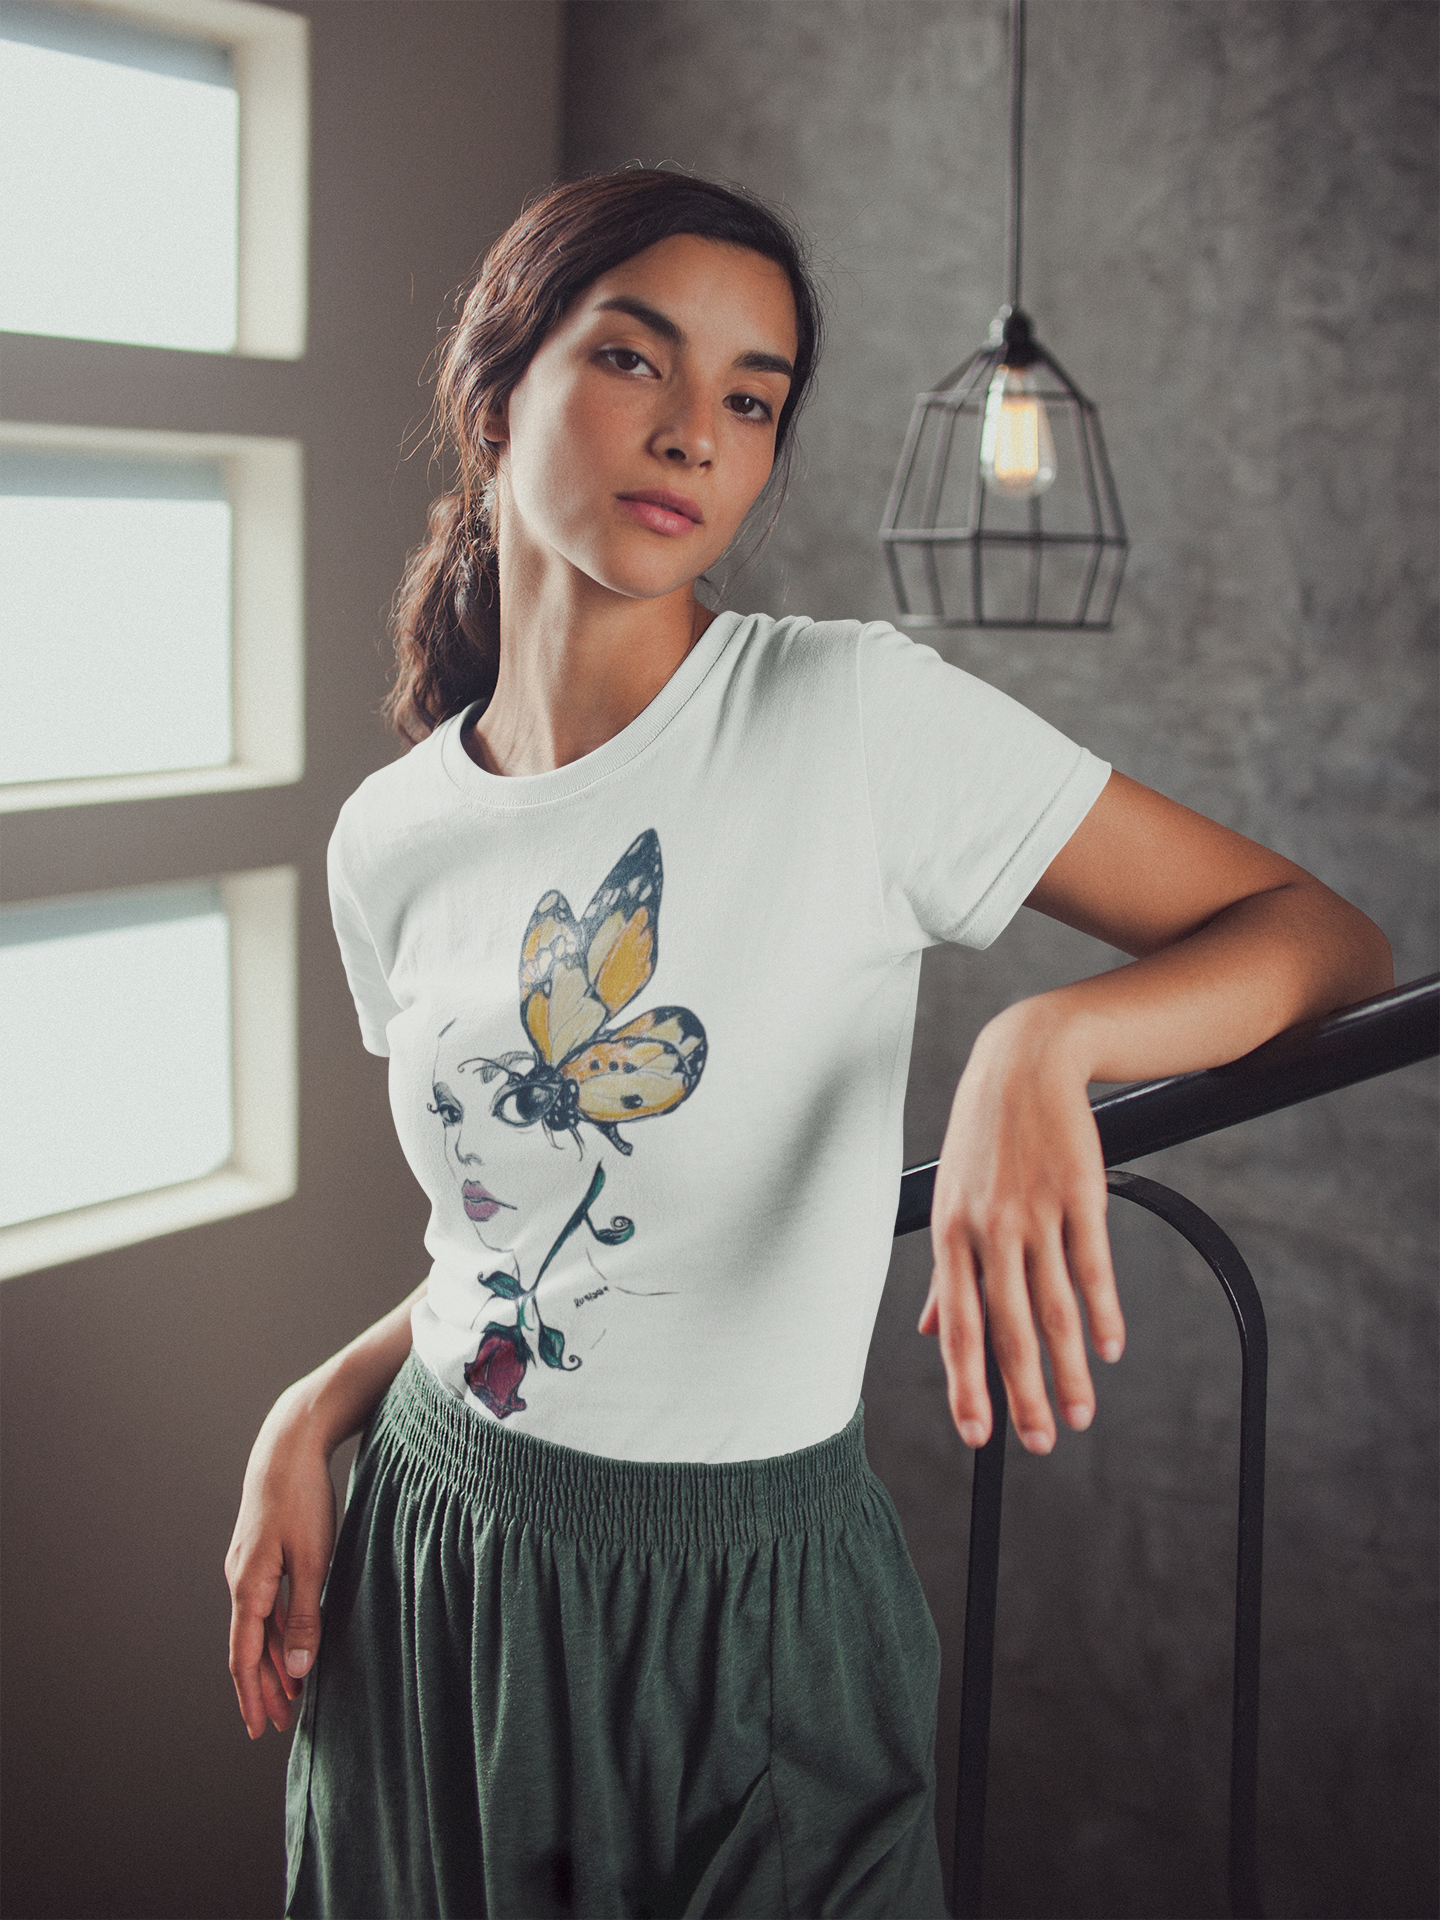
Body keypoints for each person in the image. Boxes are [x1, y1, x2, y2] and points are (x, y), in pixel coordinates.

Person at [225, 169, 1392, 1919]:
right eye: (636, 361)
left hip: (754, 1604)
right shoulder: (390, 838)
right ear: (494, 392)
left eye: (752, 397)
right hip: (431, 1568)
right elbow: (498, 1233)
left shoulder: (848, 716)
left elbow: (1324, 936)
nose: (696, 430)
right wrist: (316, 1404)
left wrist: (1040, 1049)